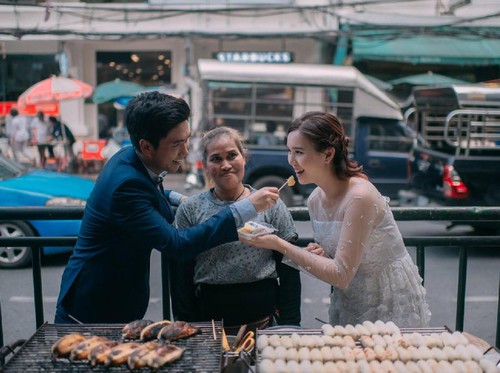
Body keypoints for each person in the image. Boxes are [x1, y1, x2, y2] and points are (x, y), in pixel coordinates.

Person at [55, 91, 279, 324]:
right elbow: (177, 244)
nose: (185, 152)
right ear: (147, 146)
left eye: (186, 140)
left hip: (109, 304)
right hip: (91, 311)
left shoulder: (130, 157)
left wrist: (176, 197)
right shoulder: (126, 185)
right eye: (176, 144)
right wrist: (244, 209)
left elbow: (148, 191)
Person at [241, 111, 431, 327]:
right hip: (349, 297)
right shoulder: (314, 200)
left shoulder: (360, 196)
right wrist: (322, 253)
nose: (291, 161)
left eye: (299, 152)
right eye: (289, 151)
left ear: (328, 154)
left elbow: (341, 274)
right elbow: (340, 261)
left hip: (388, 298)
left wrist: (277, 243)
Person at [170, 127, 301, 334]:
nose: (225, 165)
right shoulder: (191, 209)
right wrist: (185, 322)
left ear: (244, 157)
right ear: (204, 166)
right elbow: (181, 274)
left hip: (263, 321)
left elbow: (290, 268)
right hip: (208, 323)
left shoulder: (271, 204)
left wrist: (291, 324)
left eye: (232, 155)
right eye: (216, 159)